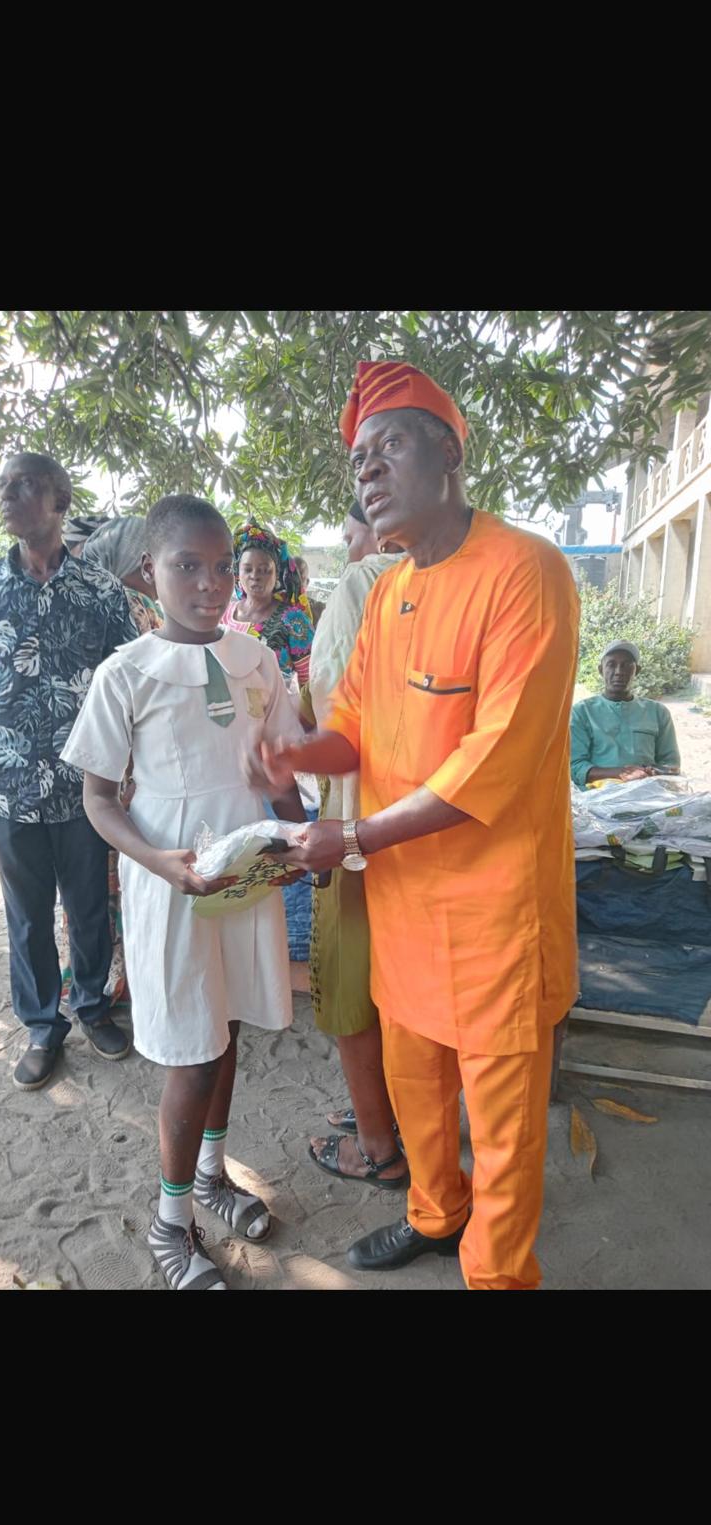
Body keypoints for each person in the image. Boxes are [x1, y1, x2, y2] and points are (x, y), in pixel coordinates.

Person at [244, 360, 579, 1291]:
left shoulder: (527, 572)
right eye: (358, 459)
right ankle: (435, 1215)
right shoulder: (387, 594)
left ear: (449, 451)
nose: (368, 472)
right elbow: (351, 722)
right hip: (403, 902)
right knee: (418, 1087)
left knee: (503, 1125)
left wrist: (347, 842)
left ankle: (498, 1277)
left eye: (389, 446)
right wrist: (296, 756)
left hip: (493, 916)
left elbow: (493, 767)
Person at [62, 495, 307, 1291]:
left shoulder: (256, 660)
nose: (209, 583)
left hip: (245, 866)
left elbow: (281, 765)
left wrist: (300, 832)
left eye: (219, 565)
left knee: (227, 1024)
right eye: (186, 566)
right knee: (190, 1052)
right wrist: (158, 862)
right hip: (170, 877)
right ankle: (173, 1226)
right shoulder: (125, 673)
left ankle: (211, 1177)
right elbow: (100, 799)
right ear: (147, 574)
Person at [0, 453, 136, 1091]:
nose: (9, 495)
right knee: (26, 913)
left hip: (83, 788)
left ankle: (92, 1006)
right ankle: (43, 1026)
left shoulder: (101, 592)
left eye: (26, 485)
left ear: (60, 498)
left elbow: (129, 686)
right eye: (4, 486)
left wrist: (128, 770)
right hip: (7, 785)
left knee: (89, 907)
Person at [302, 499, 407, 1189]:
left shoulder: (364, 582)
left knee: (349, 983)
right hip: (431, 824)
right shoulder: (464, 578)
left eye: (348, 537)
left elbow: (333, 701)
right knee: (408, 988)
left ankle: (377, 1147)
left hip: (360, 825)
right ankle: (399, 1115)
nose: (347, 551)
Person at [58, 516, 165, 1007]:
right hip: (124, 767)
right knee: (116, 876)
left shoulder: (105, 600)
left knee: (93, 881)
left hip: (95, 758)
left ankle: (98, 978)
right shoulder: (135, 604)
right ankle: (118, 979)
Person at [570, 639, 681, 787]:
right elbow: (575, 766)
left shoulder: (658, 712)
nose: (619, 672)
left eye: (627, 665)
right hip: (597, 798)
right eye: (611, 664)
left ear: (637, 671)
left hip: (648, 794)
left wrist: (651, 773)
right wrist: (621, 773)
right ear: (601, 670)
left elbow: (671, 765)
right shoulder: (582, 712)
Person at [222, 521, 314, 686]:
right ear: (238, 572)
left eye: (264, 570)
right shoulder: (225, 614)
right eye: (247, 569)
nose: (255, 576)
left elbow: (310, 680)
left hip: (277, 710)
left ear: (277, 573)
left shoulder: (294, 620)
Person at [295, 557, 324, 627]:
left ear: (307, 582)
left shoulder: (319, 610)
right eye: (291, 576)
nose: (295, 581)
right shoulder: (274, 608)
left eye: (300, 578)